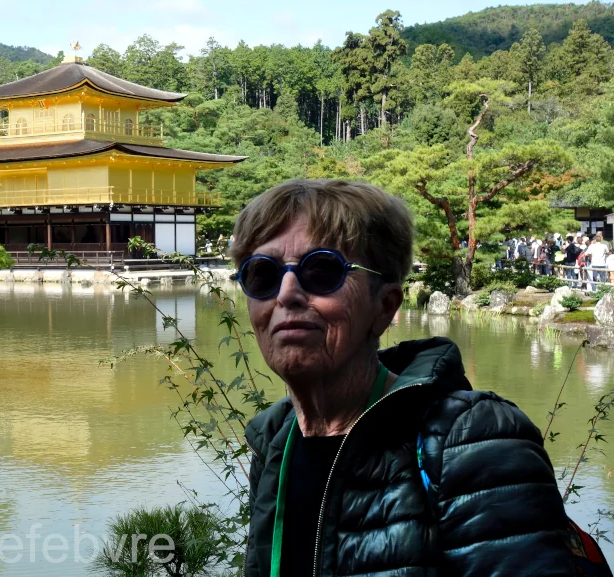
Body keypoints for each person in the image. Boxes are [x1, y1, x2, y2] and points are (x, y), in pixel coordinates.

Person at [232, 180, 574, 577]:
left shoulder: (470, 440)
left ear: (385, 306)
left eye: (322, 271)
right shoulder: (275, 440)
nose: (286, 293)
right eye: (262, 275)